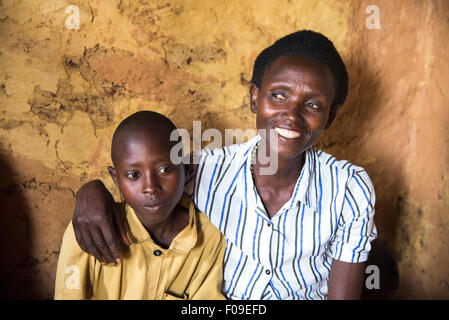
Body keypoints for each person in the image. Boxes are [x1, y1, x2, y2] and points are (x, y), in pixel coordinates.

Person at [71, 30, 377, 300]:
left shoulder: (348, 189)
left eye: (312, 105)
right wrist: (92, 191)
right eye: (278, 95)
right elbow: (148, 180)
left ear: (331, 117)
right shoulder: (207, 170)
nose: (292, 115)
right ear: (254, 98)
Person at [55, 111, 226, 300]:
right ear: (116, 179)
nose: (150, 188)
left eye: (164, 170)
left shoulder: (211, 238)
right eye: (134, 175)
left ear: (185, 170)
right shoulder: (89, 230)